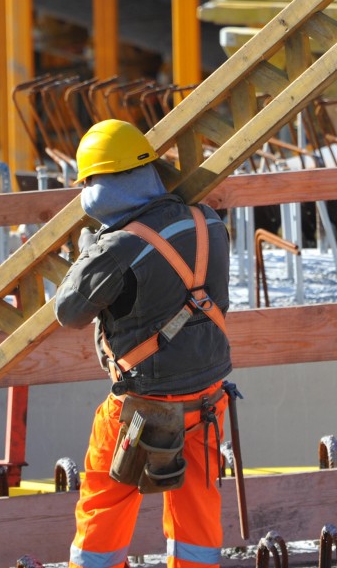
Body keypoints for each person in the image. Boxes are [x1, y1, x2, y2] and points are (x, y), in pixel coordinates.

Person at [54, 119, 234, 568]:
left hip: (144, 404)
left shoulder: (116, 247)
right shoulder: (208, 220)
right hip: (208, 397)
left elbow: (69, 313)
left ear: (98, 185)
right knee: (199, 504)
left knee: (106, 505)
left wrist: (89, 252)